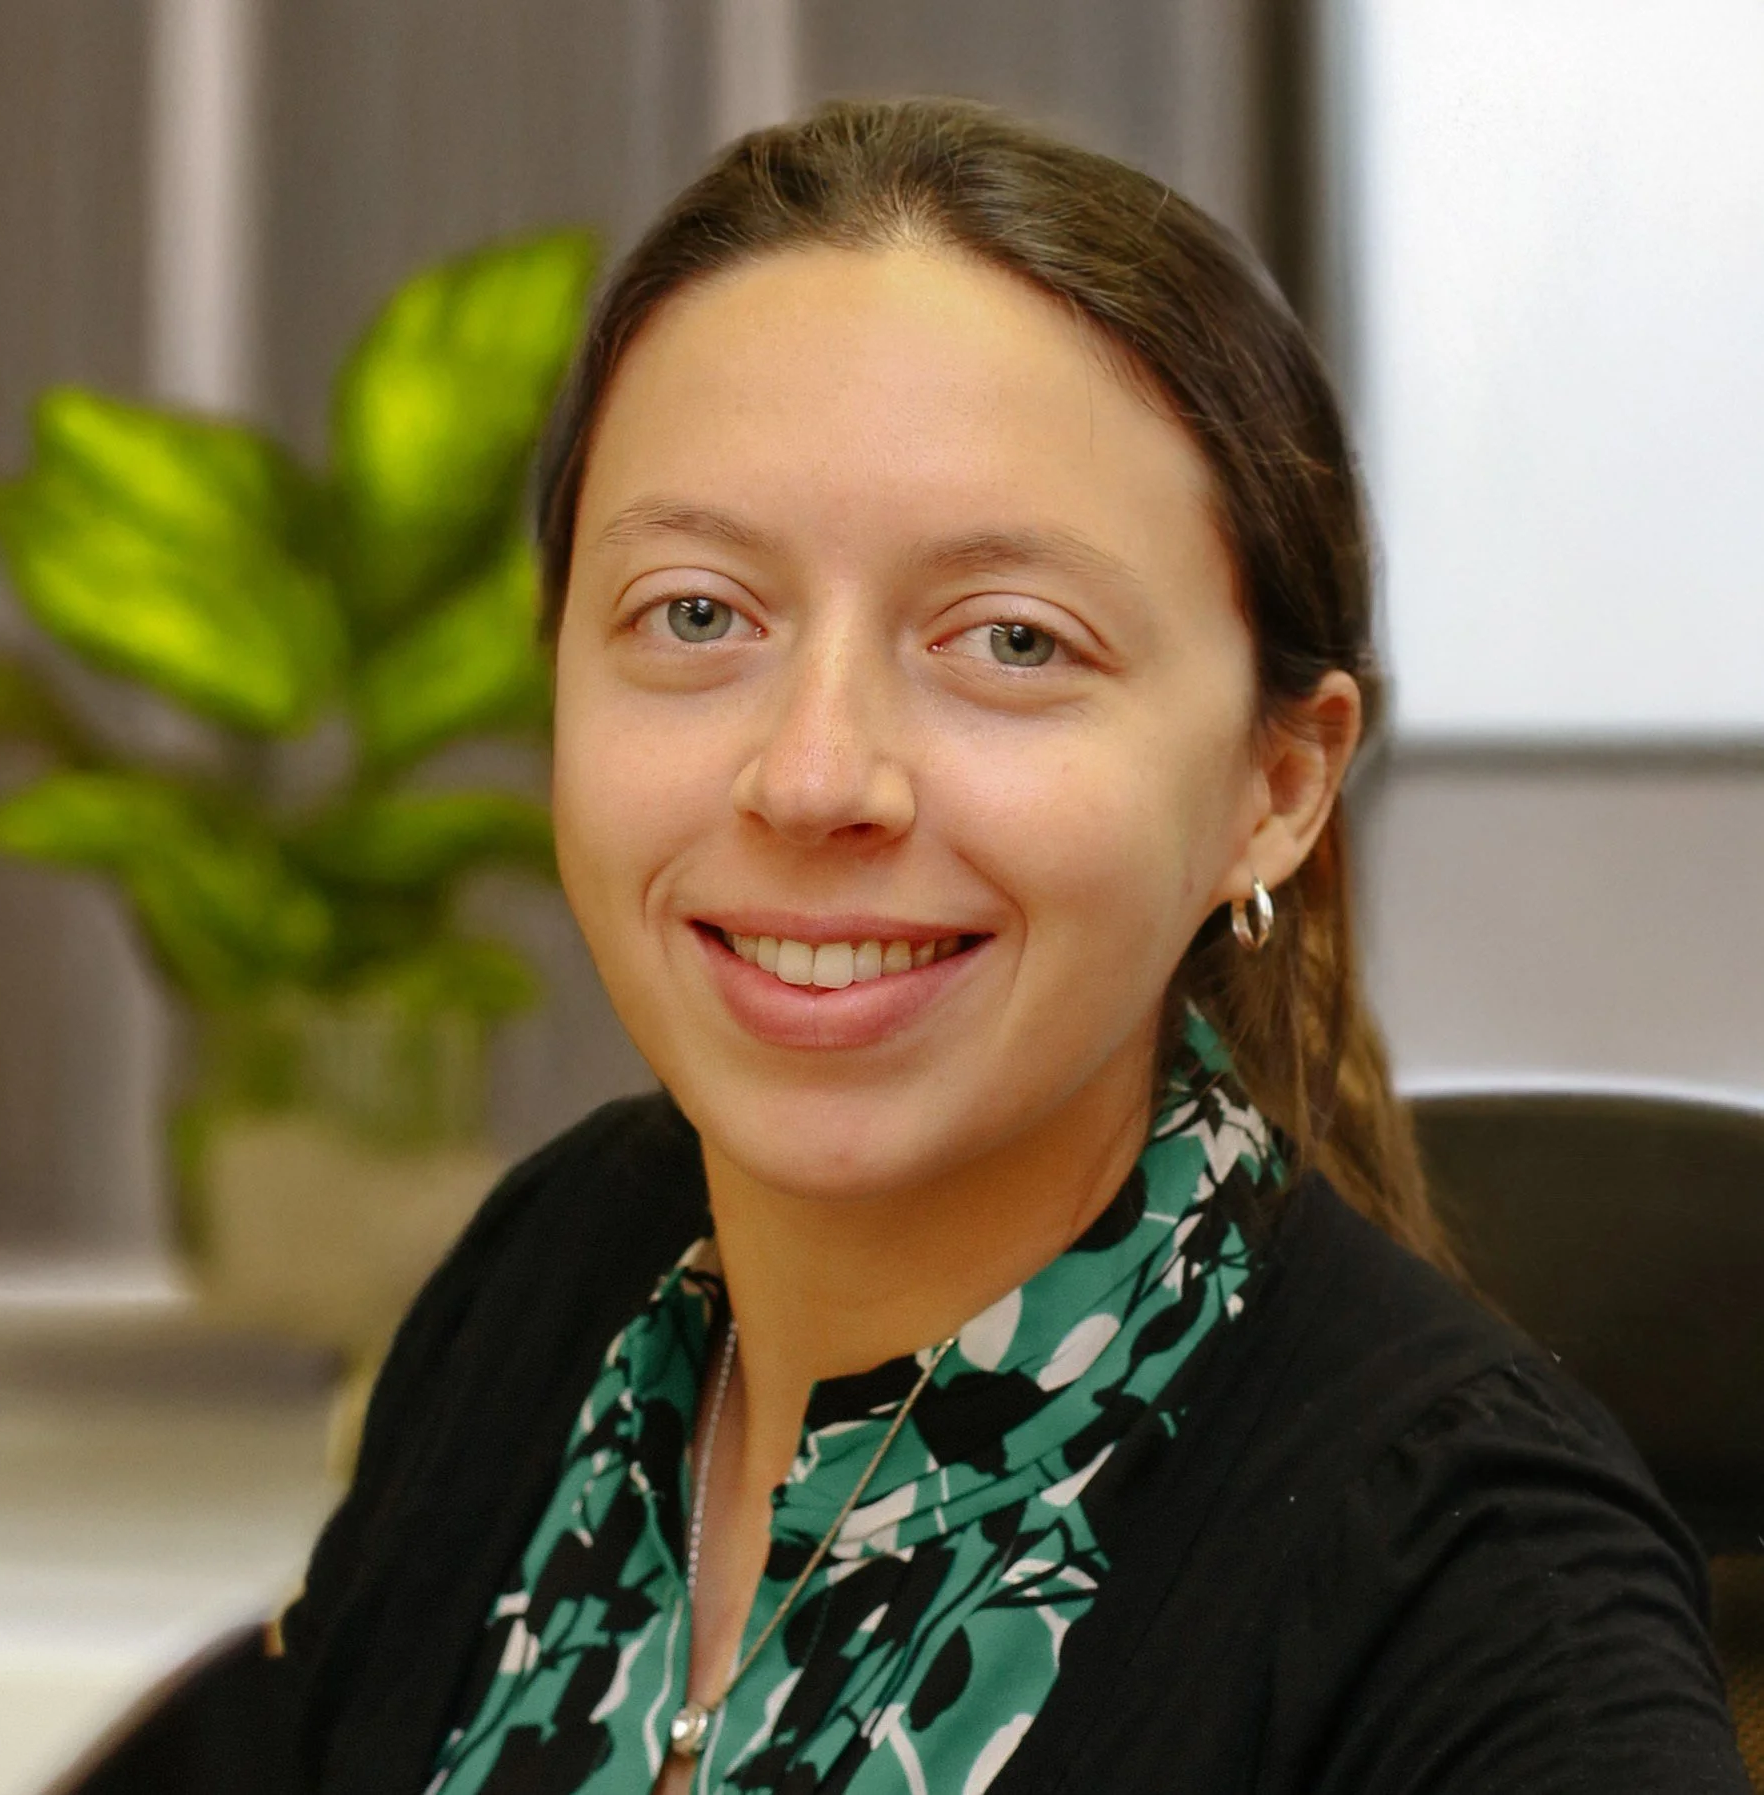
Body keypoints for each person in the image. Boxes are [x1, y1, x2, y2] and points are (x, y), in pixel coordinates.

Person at [270, 99, 1748, 1794]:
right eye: (697, 613)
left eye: (1011, 640)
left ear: (1278, 785)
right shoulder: (552, 1281)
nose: (815, 774)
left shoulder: (1482, 1605)